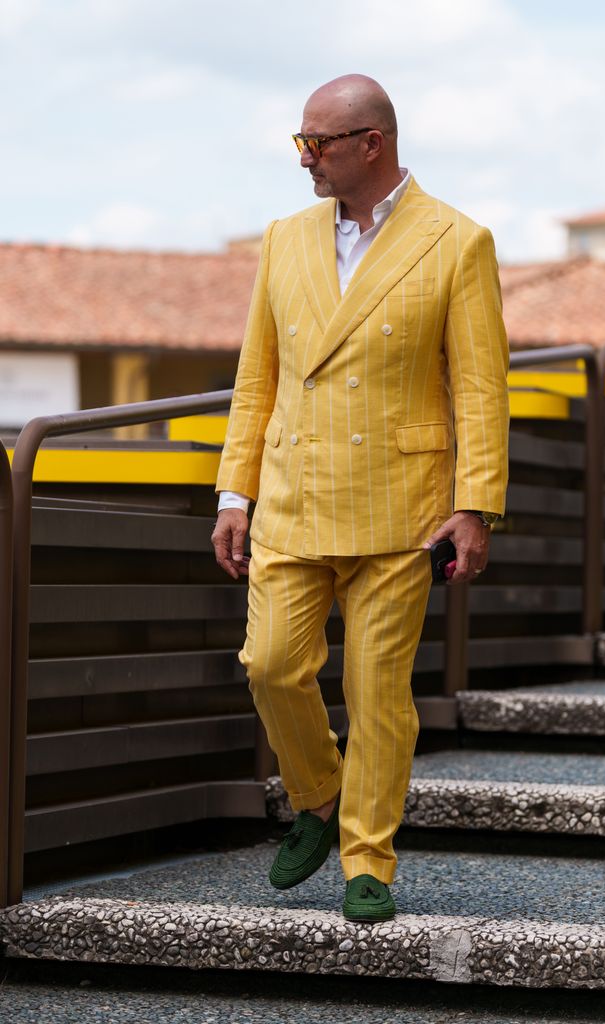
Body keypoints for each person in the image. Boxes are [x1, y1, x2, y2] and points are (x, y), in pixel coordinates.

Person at [211, 74, 508, 922]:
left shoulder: (457, 240)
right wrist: (235, 492)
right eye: (300, 141)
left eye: (318, 143)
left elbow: (480, 389)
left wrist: (475, 504)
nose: (303, 157)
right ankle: (316, 797)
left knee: (379, 690)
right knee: (270, 663)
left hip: (402, 504)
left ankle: (366, 857)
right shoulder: (283, 238)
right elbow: (254, 380)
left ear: (369, 144)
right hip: (293, 494)